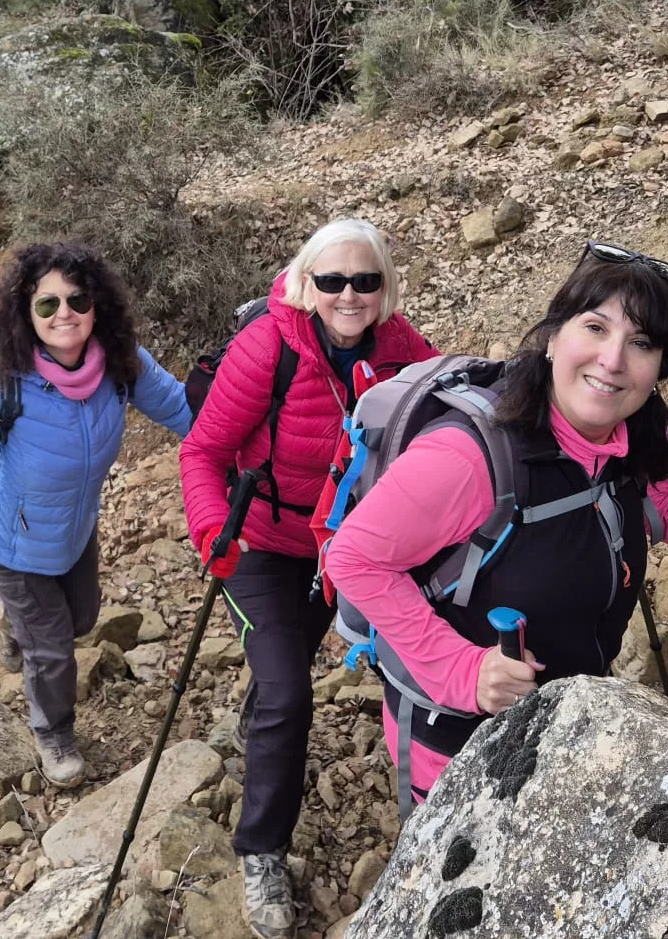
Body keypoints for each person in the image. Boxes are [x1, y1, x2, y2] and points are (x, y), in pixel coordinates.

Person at [325, 241, 668, 809]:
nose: (612, 360)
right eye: (595, 327)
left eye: (641, 343)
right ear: (553, 337)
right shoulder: (469, 460)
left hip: (565, 726)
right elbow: (354, 559)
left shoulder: (624, 447)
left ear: (661, 370)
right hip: (456, 745)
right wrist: (463, 670)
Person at [179, 218, 438, 939]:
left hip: (340, 548)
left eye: (366, 281)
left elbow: (458, 405)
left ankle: (261, 713)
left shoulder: (401, 347)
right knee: (292, 693)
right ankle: (261, 850)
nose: (349, 295)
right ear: (307, 284)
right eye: (332, 280)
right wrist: (213, 530)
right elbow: (202, 452)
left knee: (287, 663)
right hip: (258, 546)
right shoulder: (268, 346)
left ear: (385, 288)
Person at [0, 243, 193, 790]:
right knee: (52, 648)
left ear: (97, 305)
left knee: (81, 619)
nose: (64, 313)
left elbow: (183, 410)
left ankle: (12, 621)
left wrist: (242, 441)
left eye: (77, 299)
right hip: (8, 537)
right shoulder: (3, 385)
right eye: (47, 304)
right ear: (26, 312)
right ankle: (54, 733)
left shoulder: (123, 363)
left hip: (72, 527)